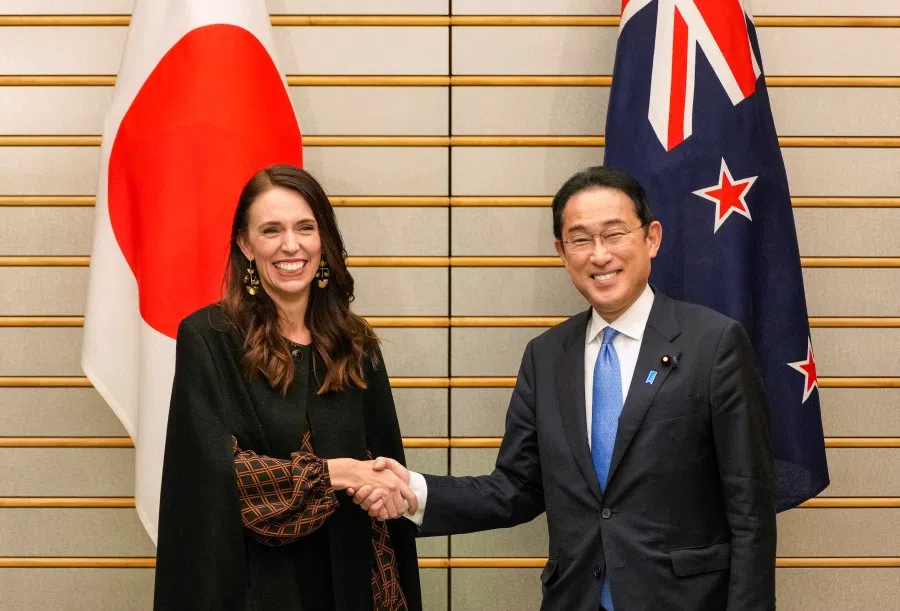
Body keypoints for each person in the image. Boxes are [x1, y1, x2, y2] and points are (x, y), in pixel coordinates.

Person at [353, 166, 777, 610]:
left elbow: (750, 510)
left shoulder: (714, 343)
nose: (599, 255)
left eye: (614, 234)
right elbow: (516, 487)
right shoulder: (547, 356)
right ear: (561, 251)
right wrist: (413, 492)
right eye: (580, 239)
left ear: (651, 238)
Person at [153, 164, 422, 611]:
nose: (290, 245)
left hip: (351, 581)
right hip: (255, 588)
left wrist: (378, 484)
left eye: (305, 228)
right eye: (271, 230)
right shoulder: (209, 337)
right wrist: (338, 473)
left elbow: (383, 467)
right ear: (246, 244)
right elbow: (215, 478)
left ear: (324, 240)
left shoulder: (357, 342)